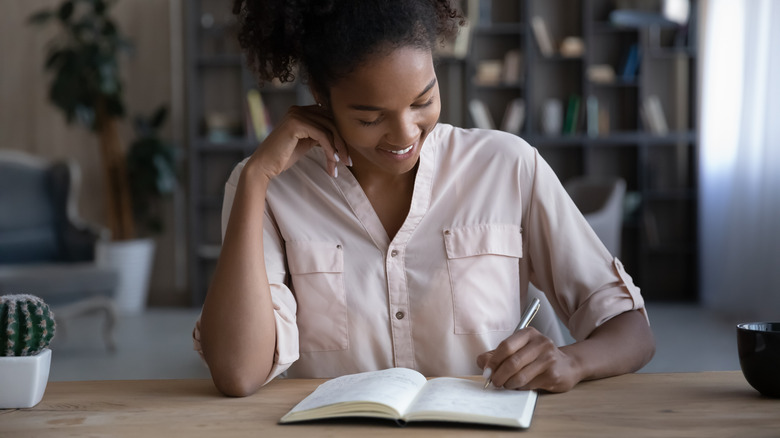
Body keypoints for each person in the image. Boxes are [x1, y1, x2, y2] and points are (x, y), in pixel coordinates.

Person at [194, 0, 655, 397]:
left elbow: (631, 331)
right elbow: (238, 373)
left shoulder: (507, 166)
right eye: (370, 117)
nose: (405, 134)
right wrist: (256, 177)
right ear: (320, 97)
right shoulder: (271, 188)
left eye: (423, 100)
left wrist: (572, 362)